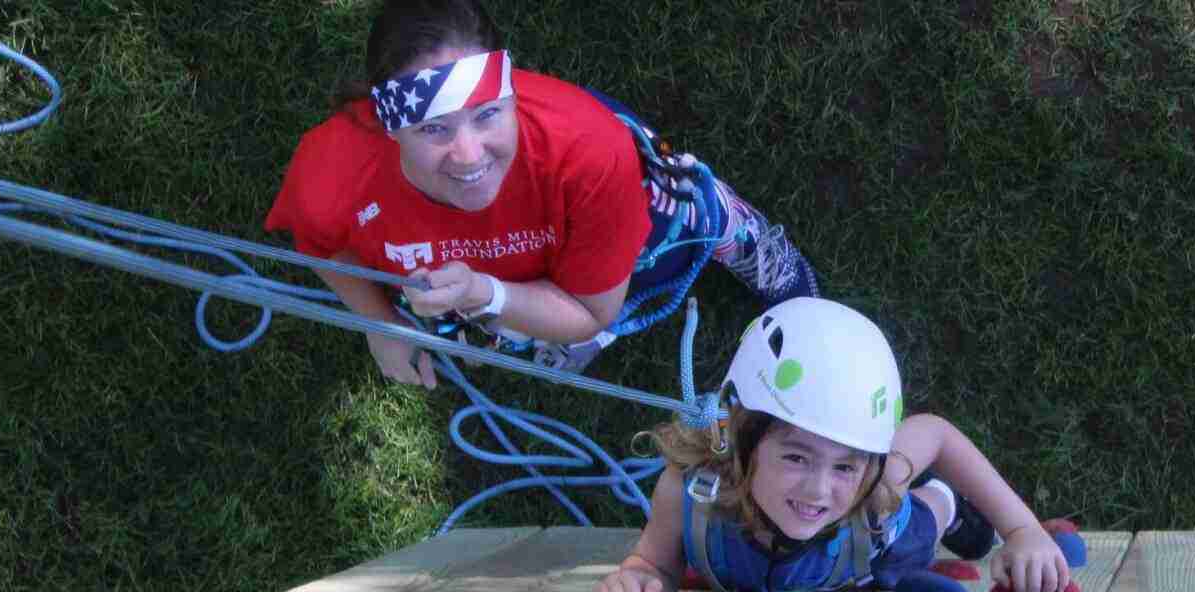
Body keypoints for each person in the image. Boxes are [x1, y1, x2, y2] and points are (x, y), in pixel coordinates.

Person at [264, 0, 819, 388]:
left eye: (487, 116)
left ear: (510, 97)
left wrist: (485, 293)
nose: (469, 157)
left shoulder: (588, 151)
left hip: (614, 202)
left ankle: (724, 221)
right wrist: (380, 325)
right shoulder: (331, 174)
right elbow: (321, 242)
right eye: (434, 129)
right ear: (391, 129)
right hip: (507, 274)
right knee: (518, 337)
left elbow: (589, 311)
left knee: (677, 215)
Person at [594, 298, 1071, 592]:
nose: (819, 490)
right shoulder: (689, 492)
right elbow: (653, 565)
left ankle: (945, 501)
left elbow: (937, 435)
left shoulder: (873, 496)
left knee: (921, 530)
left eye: (844, 466)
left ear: (869, 464)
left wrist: (1023, 531)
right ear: (738, 435)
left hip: (875, 546)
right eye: (797, 456)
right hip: (783, 559)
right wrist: (635, 580)